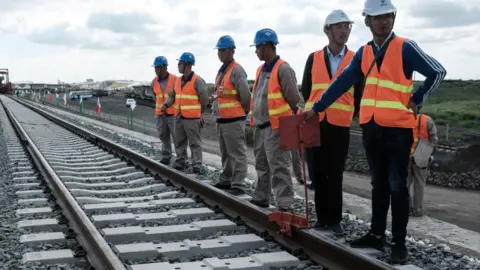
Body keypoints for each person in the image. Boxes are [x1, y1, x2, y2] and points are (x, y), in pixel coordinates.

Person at [302, 0, 446, 264]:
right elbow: (342, 82)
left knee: (396, 186)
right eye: (378, 18)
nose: (384, 22)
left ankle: (399, 244)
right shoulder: (365, 53)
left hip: (399, 130)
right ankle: (376, 234)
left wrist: (419, 96)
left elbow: (437, 72)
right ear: (367, 21)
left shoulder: (405, 47)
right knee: (378, 184)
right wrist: (318, 108)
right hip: (372, 128)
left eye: (388, 17)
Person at [301, 9, 363, 236]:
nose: (344, 31)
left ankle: (335, 219)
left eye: (347, 26)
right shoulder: (314, 57)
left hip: (339, 124)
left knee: (335, 173)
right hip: (315, 122)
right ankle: (322, 218)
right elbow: (307, 89)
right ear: (328, 30)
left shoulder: (356, 58)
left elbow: (360, 92)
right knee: (317, 173)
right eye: (339, 26)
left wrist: (350, 113)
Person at [249, 28, 300, 211]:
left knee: (279, 167)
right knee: (262, 164)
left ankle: (285, 204)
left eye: (257, 47)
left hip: (277, 127)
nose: (256, 51)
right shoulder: (260, 70)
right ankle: (261, 196)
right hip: (261, 127)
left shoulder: (283, 69)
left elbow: (293, 98)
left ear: (266, 46)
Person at [211, 35, 251, 195]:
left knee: (237, 153)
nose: (220, 53)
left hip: (234, 119)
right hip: (222, 119)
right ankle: (226, 179)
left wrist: (242, 112)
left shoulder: (237, 70)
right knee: (226, 153)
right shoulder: (222, 71)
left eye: (223, 50)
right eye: (219, 50)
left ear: (232, 51)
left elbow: (246, 96)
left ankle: (238, 184)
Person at [162, 52, 209, 173]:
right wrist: (166, 104)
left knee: (195, 143)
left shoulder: (197, 80)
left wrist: (199, 113)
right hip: (179, 117)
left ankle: (197, 164)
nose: (178, 66)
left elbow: (204, 99)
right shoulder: (177, 81)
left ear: (187, 65)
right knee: (179, 141)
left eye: (180, 64)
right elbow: (172, 95)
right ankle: (180, 161)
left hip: (192, 118)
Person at [408, 112, 437, 217]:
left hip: (405, 156)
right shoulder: (427, 120)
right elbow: (434, 140)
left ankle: (405, 209)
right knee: (419, 184)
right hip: (421, 156)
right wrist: (429, 154)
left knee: (405, 184)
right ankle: (417, 210)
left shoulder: (404, 117)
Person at [151, 56, 177, 165]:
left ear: (164, 67)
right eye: (155, 67)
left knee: (177, 137)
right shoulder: (154, 81)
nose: (155, 70)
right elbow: (154, 96)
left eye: (157, 67)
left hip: (173, 114)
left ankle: (181, 159)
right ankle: (166, 156)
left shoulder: (175, 80)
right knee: (163, 136)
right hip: (160, 114)